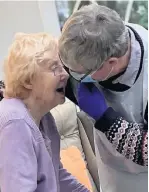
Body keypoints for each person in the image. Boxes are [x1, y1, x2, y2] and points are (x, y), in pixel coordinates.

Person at [58, 4, 148, 192]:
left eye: (80, 73)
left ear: (112, 63)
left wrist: (106, 119)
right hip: (110, 172)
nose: (71, 76)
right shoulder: (94, 39)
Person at [0, 33, 90, 192]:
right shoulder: (15, 123)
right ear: (28, 80)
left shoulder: (44, 118)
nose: (66, 75)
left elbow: (57, 177)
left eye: (63, 67)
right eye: (55, 68)